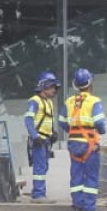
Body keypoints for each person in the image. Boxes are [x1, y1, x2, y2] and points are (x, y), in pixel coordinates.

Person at [65, 68, 106, 211]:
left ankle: (77, 206)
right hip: (89, 144)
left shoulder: (69, 101)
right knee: (91, 176)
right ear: (90, 83)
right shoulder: (94, 101)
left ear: (75, 84)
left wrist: (74, 130)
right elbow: (99, 123)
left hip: (73, 143)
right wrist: (101, 132)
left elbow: (63, 122)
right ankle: (88, 208)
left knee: (76, 175)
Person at [25, 73, 59, 203]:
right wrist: (35, 136)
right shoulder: (35, 101)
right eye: (52, 87)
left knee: (44, 166)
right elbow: (28, 119)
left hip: (46, 139)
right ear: (44, 86)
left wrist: (52, 133)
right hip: (39, 140)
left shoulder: (49, 102)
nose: (54, 90)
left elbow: (47, 120)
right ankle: (38, 194)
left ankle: (40, 192)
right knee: (39, 167)